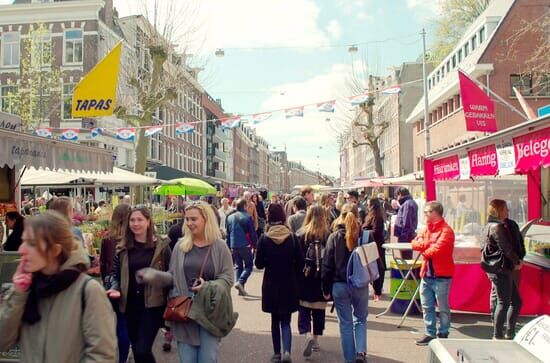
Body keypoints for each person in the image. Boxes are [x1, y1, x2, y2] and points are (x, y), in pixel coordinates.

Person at [0, 211, 116, 361]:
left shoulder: (87, 291)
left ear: (55, 250)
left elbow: (102, 355)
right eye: (24, 241)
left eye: (31, 244)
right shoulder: (28, 290)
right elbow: (3, 341)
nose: (22, 250)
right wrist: (19, 294)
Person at [139, 202, 236, 363]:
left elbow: (228, 278)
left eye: (194, 219)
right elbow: (172, 277)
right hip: (184, 313)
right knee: (187, 360)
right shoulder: (180, 246)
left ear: (206, 219)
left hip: (209, 313)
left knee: (207, 359)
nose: (189, 223)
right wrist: (154, 276)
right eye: (187, 219)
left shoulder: (220, 247)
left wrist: (208, 286)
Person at [107, 206, 171, 363]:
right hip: (129, 305)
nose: (136, 224)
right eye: (132, 220)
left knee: (143, 349)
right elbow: (115, 274)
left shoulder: (161, 247)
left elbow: (172, 276)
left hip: (153, 305)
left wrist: (154, 276)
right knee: (136, 349)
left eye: (140, 220)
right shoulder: (123, 248)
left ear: (148, 222)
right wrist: (115, 287)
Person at [255, 203, 304, 363]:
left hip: (270, 284)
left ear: (269, 217)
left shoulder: (264, 238)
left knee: (274, 320)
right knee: (286, 321)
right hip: (289, 284)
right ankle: (287, 351)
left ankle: (277, 354)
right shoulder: (292, 238)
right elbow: (301, 263)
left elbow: (259, 264)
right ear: (283, 217)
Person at [322, 203, 368, 363]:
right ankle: (360, 353)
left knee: (346, 324)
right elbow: (375, 262)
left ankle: (349, 359)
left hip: (339, 285)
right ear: (358, 216)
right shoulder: (365, 236)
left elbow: (327, 265)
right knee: (361, 319)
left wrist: (325, 288)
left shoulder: (333, 237)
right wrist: (377, 286)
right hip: (360, 284)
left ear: (340, 216)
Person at [412, 201, 455, 346]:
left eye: (427, 212)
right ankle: (430, 332)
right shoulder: (426, 229)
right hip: (427, 274)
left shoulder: (446, 231)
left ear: (435, 213)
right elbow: (415, 243)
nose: (424, 215)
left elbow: (438, 250)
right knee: (426, 306)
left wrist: (425, 248)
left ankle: (443, 332)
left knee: (442, 307)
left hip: (441, 276)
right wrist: (426, 246)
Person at [482, 199, 523, 340]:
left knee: (515, 302)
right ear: (499, 210)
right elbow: (506, 249)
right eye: (505, 208)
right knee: (503, 302)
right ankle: (498, 335)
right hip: (501, 269)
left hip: (499, 269)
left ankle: (509, 333)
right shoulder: (496, 227)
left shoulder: (490, 225)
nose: (508, 210)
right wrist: (517, 261)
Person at [296, 205, 330, 358]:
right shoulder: (327, 235)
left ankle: (306, 333)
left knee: (304, 309)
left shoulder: (301, 234)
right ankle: (316, 339)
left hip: (304, 278)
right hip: (321, 279)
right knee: (319, 310)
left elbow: (296, 260)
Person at [100, 203, 131, 363]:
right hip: (128, 284)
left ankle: (122, 357)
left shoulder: (107, 238)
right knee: (128, 322)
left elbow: (103, 264)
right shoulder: (131, 238)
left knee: (120, 321)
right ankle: (125, 354)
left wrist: (107, 281)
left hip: (112, 286)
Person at [226, 198, 258, 296]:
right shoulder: (248, 217)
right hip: (245, 245)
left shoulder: (230, 217)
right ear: (244, 206)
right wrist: (256, 245)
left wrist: (228, 246)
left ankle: (241, 288)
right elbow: (252, 234)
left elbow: (228, 233)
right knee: (249, 265)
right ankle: (240, 282)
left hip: (233, 245)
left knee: (239, 266)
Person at [363, 198, 386, 302]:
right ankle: (376, 289)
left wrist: (365, 231)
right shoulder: (372, 215)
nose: (367, 206)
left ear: (372, 205)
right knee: (373, 267)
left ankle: (378, 290)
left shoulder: (377, 216)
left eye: (368, 204)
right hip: (372, 245)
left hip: (376, 245)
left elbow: (376, 231)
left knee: (377, 267)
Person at [394, 187, 418, 259]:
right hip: (407, 236)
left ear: (400, 194)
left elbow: (406, 222)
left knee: (406, 259)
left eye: (397, 195)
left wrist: (403, 239)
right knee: (406, 258)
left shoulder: (407, 204)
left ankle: (407, 270)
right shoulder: (408, 203)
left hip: (406, 237)